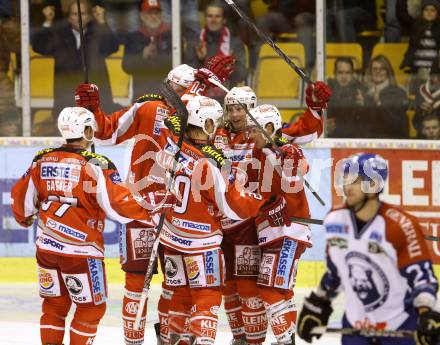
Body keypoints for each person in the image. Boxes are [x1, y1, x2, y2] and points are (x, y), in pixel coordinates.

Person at [74, 56, 234, 345]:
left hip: (163, 213)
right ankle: (163, 340)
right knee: (160, 284)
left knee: (164, 285)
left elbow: (105, 130)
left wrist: (91, 111)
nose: (169, 90)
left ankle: (164, 339)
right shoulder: (154, 108)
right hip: (158, 212)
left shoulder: (185, 113)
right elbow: (106, 130)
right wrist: (90, 110)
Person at [10, 106, 175, 345]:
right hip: (82, 252)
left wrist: (24, 218)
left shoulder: (41, 159)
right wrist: (153, 206)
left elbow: (22, 203)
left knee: (53, 306)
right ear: (87, 130)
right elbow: (119, 205)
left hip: (46, 248)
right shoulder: (97, 165)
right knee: (91, 308)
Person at [158, 95, 289, 345]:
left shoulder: (169, 146)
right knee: (207, 297)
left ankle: (176, 341)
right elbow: (232, 205)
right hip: (202, 241)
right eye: (214, 121)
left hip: (171, 237)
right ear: (205, 123)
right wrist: (263, 201)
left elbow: (170, 125)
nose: (218, 124)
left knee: (180, 294)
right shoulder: (210, 162)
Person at [213, 81, 331, 345]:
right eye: (230, 109)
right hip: (237, 225)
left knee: (261, 289)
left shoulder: (277, 139)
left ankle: (274, 339)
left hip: (260, 228)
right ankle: (252, 338)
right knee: (237, 287)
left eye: (240, 109)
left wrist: (314, 106)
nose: (234, 115)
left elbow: (305, 140)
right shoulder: (218, 134)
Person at [297, 152, 440, 345]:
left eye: (356, 181)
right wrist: (319, 303)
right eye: (346, 179)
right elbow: (336, 273)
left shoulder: (400, 225)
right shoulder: (334, 220)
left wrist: (426, 314)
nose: (347, 187)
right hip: (355, 329)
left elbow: (422, 278)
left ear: (374, 185)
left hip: (400, 328)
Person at [31, 0, 120, 132]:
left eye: (82, 14)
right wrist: (48, 23)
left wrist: (101, 21)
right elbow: (40, 46)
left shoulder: (97, 32)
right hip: (66, 96)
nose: (78, 17)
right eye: (74, 14)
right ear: (68, 17)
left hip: (95, 97)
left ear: (89, 16)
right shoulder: (59, 34)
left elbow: (113, 46)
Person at [184, 1, 247, 97]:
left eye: (217, 16)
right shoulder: (194, 44)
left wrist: (229, 68)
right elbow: (187, 76)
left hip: (228, 97)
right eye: (210, 16)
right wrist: (200, 59)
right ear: (205, 18)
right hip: (199, 97)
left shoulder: (235, 44)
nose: (213, 20)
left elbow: (242, 75)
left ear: (224, 19)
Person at [122, 0, 172, 99]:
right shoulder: (133, 37)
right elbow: (126, 66)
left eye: (156, 13)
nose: (154, 16)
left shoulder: (171, 35)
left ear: (162, 15)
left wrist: (159, 56)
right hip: (142, 92)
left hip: (167, 94)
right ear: (142, 16)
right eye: (149, 13)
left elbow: (177, 63)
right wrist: (142, 55)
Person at [358, 55, 409, 138]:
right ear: (370, 72)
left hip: (390, 141)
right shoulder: (364, 93)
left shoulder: (398, 92)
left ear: (388, 71)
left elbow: (395, 125)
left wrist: (378, 103)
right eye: (375, 69)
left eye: (382, 69)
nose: (378, 71)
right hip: (367, 141)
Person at [400, 0, 440, 92]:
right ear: (422, 12)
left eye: (433, 10)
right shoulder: (415, 27)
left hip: (435, 70)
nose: (429, 13)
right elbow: (401, 14)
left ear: (437, 13)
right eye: (426, 10)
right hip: (417, 69)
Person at [327, 57, 366, 138]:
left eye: (347, 73)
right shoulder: (326, 91)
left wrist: (363, 107)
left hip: (356, 140)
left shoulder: (361, 91)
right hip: (332, 140)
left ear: (352, 74)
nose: (344, 77)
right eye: (340, 72)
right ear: (334, 73)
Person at [414, 64, 440, 136]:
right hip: (423, 135)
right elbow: (415, 121)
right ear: (430, 76)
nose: (436, 79)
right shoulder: (421, 91)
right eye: (433, 76)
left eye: (439, 76)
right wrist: (421, 112)